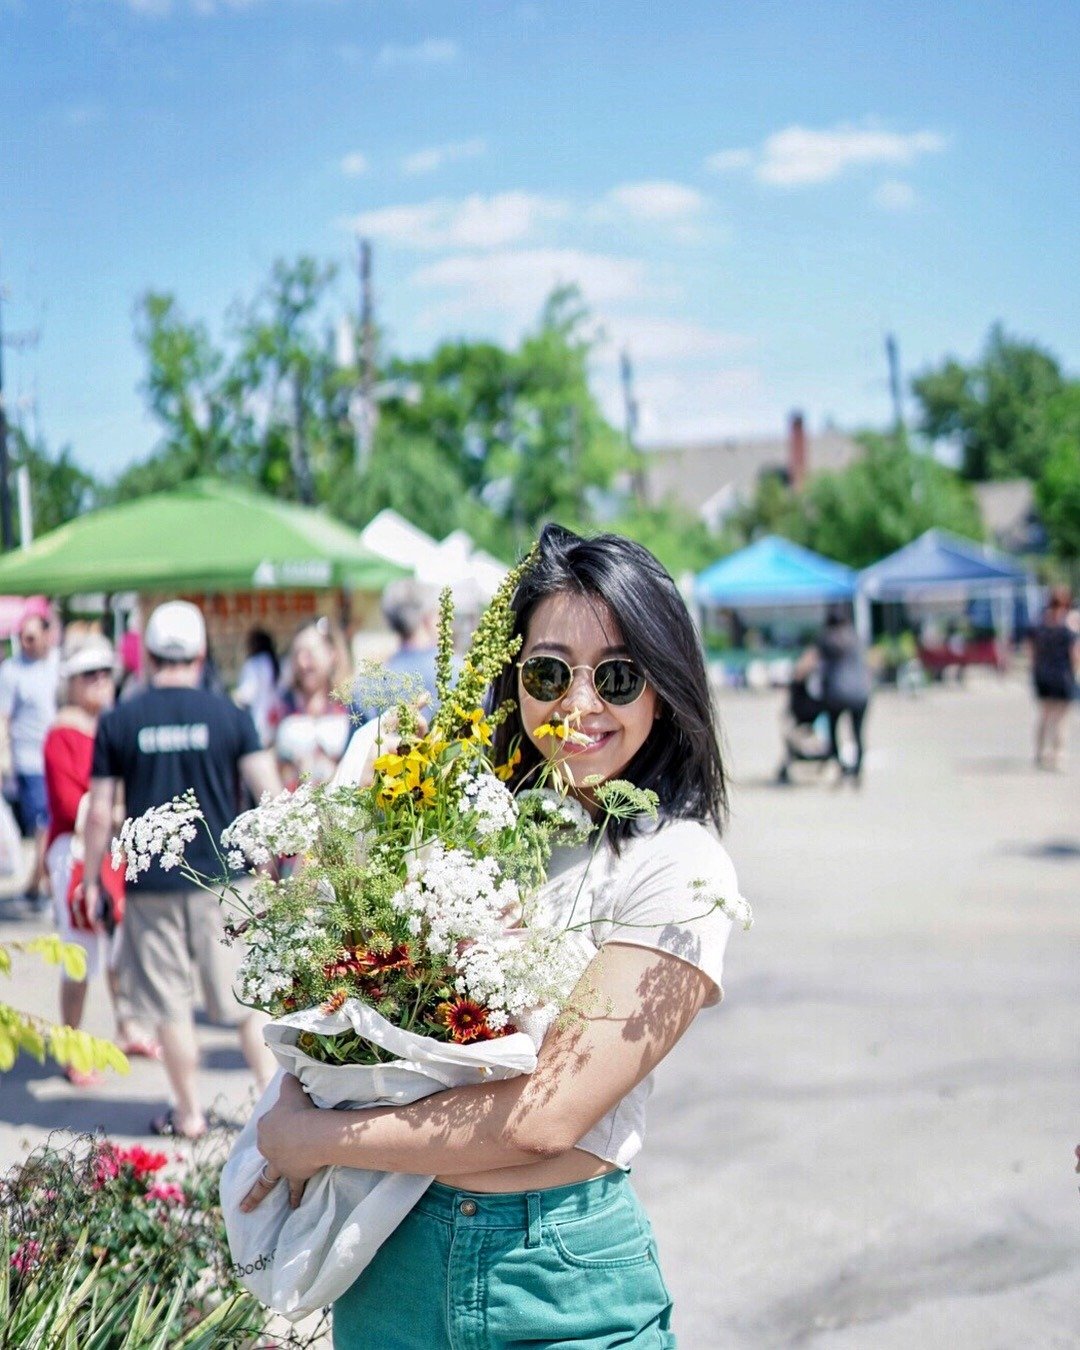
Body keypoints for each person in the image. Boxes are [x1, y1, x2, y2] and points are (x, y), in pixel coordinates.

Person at [244, 525, 747, 1348]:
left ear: (665, 689)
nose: (579, 706)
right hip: (391, 1250)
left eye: (616, 677)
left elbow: (544, 1118)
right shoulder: (463, 823)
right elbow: (352, 994)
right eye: (549, 673)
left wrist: (314, 1140)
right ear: (512, 682)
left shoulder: (680, 867)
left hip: (554, 1274)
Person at [81, 600, 281, 1139]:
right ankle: (269, 1108)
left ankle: (190, 1115)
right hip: (225, 880)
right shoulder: (230, 714)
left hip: (153, 885)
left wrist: (91, 877)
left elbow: (100, 810)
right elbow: (271, 795)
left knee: (170, 1007)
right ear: (201, 653)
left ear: (146, 655)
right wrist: (281, 863)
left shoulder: (120, 720)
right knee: (245, 998)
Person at [44, 636, 158, 1083]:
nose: (99, 681)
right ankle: (73, 1045)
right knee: (80, 950)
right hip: (73, 851)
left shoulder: (109, 726)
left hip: (110, 847)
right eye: (88, 674)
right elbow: (71, 805)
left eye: (105, 672)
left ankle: (127, 1025)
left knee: (116, 946)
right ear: (71, 681)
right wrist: (115, 812)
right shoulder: (62, 733)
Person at [0, 603, 61, 910]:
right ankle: (42, 882)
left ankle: (39, 883)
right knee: (43, 823)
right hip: (30, 759)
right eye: (24, 637)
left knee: (52, 822)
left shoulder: (59, 665)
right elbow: (3, 717)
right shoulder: (11, 671)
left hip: (59, 755)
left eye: (33, 637)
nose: (28, 643)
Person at [794, 604, 872, 783]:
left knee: (833, 731)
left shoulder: (827, 638)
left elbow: (807, 664)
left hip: (837, 693)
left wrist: (797, 677)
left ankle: (840, 765)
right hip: (862, 692)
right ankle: (857, 771)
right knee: (858, 733)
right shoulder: (855, 636)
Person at [275, 619, 351, 791]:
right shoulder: (283, 705)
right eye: (297, 654)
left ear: (331, 654)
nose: (302, 663)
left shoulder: (349, 708)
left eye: (309, 654)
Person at [1030, 586, 1078, 771]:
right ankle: (1057, 755)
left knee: (1044, 715)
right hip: (1063, 675)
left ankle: (1040, 752)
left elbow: (1032, 651)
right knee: (1061, 718)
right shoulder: (1068, 626)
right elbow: (1075, 654)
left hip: (1043, 674)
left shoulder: (1040, 625)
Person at [234, 627, 281, 748]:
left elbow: (246, 695)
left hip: (258, 722)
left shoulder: (255, 663)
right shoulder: (274, 662)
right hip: (275, 721)